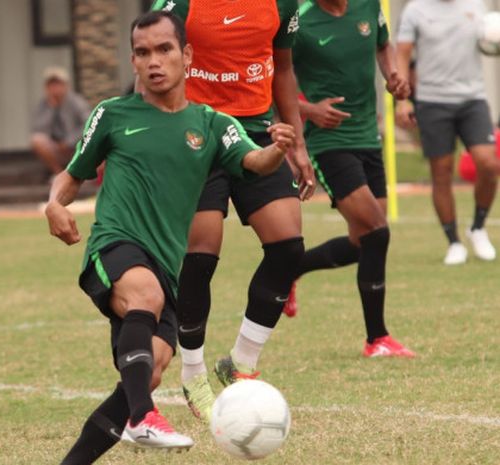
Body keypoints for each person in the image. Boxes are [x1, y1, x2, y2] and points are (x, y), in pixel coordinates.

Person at [47, 11, 295, 463]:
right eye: (142, 53)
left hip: (165, 271)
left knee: (151, 368)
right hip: (114, 247)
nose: (153, 61)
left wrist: (278, 149)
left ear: (186, 55)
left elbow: (254, 163)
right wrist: (54, 204)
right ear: (133, 61)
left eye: (164, 50)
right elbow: (72, 174)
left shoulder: (212, 124)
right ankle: (144, 417)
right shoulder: (112, 114)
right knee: (144, 295)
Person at [150, 0, 316, 423]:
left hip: (257, 133)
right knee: (200, 257)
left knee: (288, 247)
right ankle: (193, 375)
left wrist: (296, 141)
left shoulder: (282, 4)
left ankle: (241, 362)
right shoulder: (180, 5)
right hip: (195, 133)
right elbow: (151, 65)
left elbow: (283, 68)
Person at [284, 0, 415, 358]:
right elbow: (270, 77)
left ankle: (291, 268)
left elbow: (383, 44)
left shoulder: (368, 7)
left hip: (367, 137)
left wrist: (392, 76)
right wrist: (309, 109)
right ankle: (377, 339)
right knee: (377, 231)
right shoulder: (300, 19)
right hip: (328, 143)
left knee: (365, 241)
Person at [396, 0, 499, 265]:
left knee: (488, 164)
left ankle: (477, 226)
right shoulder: (415, 10)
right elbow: (402, 55)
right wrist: (402, 100)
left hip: (472, 99)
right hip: (432, 101)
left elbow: (490, 36)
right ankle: (453, 242)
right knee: (441, 172)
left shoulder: (477, 6)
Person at [31, 67, 90, 179]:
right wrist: (52, 109)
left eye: (58, 84)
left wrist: (69, 141)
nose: (55, 89)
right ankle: (59, 174)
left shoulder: (76, 102)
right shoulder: (43, 105)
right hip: (56, 148)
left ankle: (80, 173)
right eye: (51, 85)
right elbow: (38, 129)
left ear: (66, 86)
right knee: (37, 139)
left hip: (76, 147)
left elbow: (89, 124)